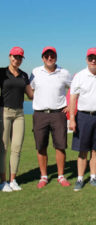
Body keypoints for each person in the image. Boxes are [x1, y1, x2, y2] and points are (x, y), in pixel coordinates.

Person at [30, 46, 72, 189]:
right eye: (46, 56)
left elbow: (74, 88)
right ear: (42, 58)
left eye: (52, 55)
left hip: (58, 114)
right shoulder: (35, 72)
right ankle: (44, 176)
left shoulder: (64, 73)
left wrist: (70, 105)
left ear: (56, 57)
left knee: (60, 146)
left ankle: (61, 176)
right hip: (40, 114)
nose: (49, 58)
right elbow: (30, 90)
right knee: (41, 146)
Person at [69, 47, 96, 191]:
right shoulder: (79, 76)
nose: (93, 60)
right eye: (91, 58)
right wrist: (72, 119)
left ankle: (93, 177)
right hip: (83, 116)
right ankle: (80, 179)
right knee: (82, 150)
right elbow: (73, 98)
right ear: (86, 59)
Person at [0, 47, 33, 192]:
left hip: (19, 114)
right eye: (15, 56)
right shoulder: (1, 72)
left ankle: (13, 180)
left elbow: (31, 95)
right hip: (4, 112)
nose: (17, 59)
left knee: (17, 148)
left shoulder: (24, 75)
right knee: (3, 148)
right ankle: (3, 181)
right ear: (9, 56)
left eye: (20, 57)